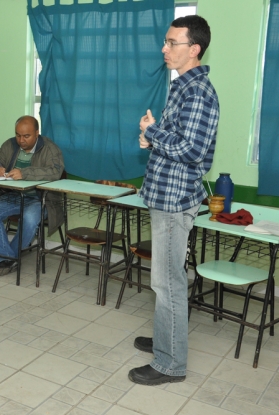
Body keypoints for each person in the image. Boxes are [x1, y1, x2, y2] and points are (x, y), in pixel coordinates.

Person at [128, 15, 219, 386]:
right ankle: (167, 338)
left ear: (193, 49)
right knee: (164, 281)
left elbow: (192, 150)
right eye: (166, 42)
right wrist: (153, 137)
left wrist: (153, 132)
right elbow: (176, 140)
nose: (164, 49)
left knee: (168, 283)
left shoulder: (198, 92)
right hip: (164, 194)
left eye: (172, 43)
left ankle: (170, 363)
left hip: (175, 199)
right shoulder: (182, 87)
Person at [0, 115, 65, 276]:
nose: (21, 140)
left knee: (29, 218)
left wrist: (25, 173)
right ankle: (5, 258)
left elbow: (55, 172)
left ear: (37, 133)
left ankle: (2, 257)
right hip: (14, 196)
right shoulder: (10, 145)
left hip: (41, 199)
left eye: (26, 136)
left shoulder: (50, 148)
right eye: (18, 135)